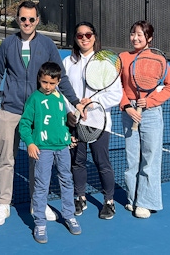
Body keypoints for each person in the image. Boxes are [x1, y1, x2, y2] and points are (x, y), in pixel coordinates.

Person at [0, 1, 85, 226]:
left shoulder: (47, 44)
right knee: (6, 159)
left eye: (31, 19)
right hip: (10, 110)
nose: (27, 23)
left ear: (37, 20)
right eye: (23, 19)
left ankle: (36, 203)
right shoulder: (8, 44)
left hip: (39, 114)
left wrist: (76, 102)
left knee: (37, 160)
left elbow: (61, 78)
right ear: (17, 20)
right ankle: (3, 204)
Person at [62, 22, 122, 220]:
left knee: (101, 162)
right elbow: (61, 92)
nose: (84, 38)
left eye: (88, 34)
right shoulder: (68, 63)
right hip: (74, 122)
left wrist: (93, 104)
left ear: (94, 37)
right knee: (77, 163)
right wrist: (68, 113)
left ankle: (109, 202)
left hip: (98, 123)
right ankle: (80, 197)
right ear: (75, 39)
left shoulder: (105, 63)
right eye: (80, 35)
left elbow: (115, 95)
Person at [119, 20, 170, 219]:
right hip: (129, 114)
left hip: (151, 114)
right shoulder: (123, 58)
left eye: (140, 35)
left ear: (149, 39)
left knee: (150, 158)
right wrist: (127, 106)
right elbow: (116, 87)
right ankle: (132, 198)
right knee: (132, 159)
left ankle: (145, 202)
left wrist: (150, 102)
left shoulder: (158, 60)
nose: (135, 38)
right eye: (133, 33)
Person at [19, 62, 81, 244]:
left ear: (58, 82)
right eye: (44, 82)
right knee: (41, 185)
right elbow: (24, 124)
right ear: (39, 79)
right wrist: (30, 143)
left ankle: (69, 215)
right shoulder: (34, 99)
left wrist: (68, 136)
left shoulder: (60, 98)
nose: (47, 86)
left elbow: (61, 121)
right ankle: (39, 222)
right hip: (43, 149)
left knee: (67, 181)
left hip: (62, 148)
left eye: (52, 83)